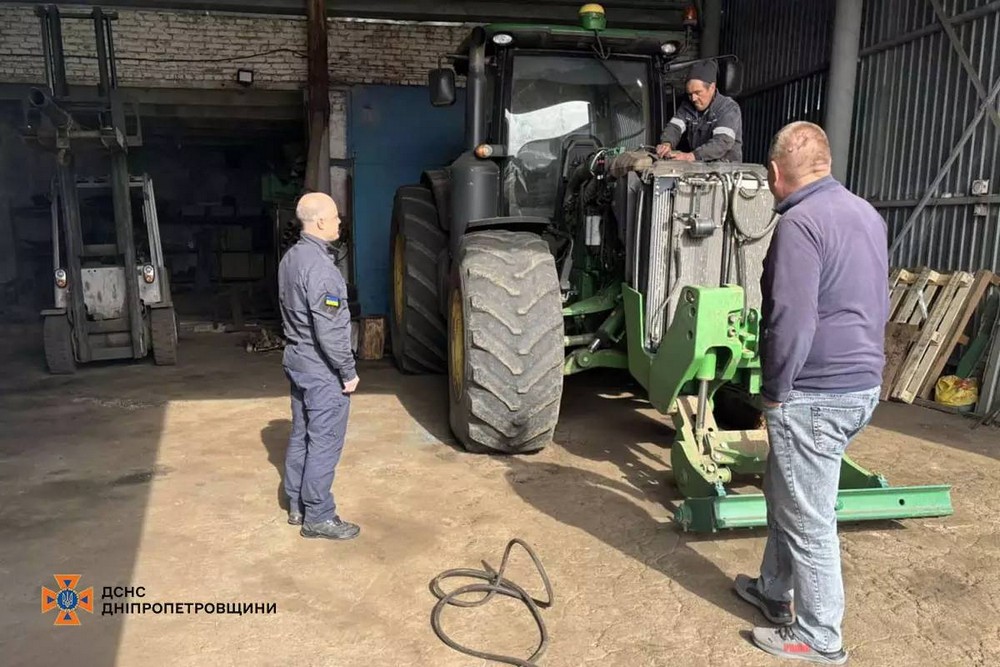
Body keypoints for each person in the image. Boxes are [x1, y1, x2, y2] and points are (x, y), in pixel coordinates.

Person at [734, 121, 888, 665]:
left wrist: (774, 391)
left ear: (775, 174)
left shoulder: (799, 224)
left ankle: (821, 637)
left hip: (813, 394)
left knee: (809, 519)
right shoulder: (865, 213)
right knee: (787, 492)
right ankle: (773, 591)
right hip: (862, 385)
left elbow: (789, 320)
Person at [278, 192, 360, 541]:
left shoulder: (291, 259)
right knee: (324, 441)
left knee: (302, 434)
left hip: (297, 358)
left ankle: (296, 504)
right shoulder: (322, 270)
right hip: (320, 366)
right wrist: (348, 370)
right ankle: (319, 516)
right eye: (336, 216)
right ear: (321, 222)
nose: (340, 221)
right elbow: (330, 329)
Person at [655, 60, 743, 162]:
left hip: (727, 172)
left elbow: (722, 142)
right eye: (689, 94)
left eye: (697, 92)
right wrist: (667, 143)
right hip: (699, 168)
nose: (693, 98)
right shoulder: (687, 105)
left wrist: (690, 156)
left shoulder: (728, 108)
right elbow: (675, 127)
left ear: (712, 88)